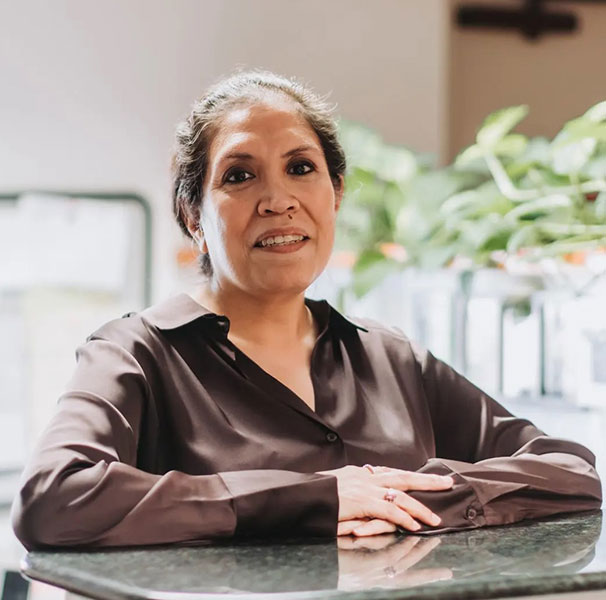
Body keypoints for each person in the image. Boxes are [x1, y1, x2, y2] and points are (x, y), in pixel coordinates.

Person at [12, 70, 602, 550]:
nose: (278, 200)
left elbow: (571, 472)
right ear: (194, 216)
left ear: (335, 194)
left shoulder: (390, 357)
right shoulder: (135, 353)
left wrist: (420, 497)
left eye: (301, 168)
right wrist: (315, 497)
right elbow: (54, 498)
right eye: (239, 176)